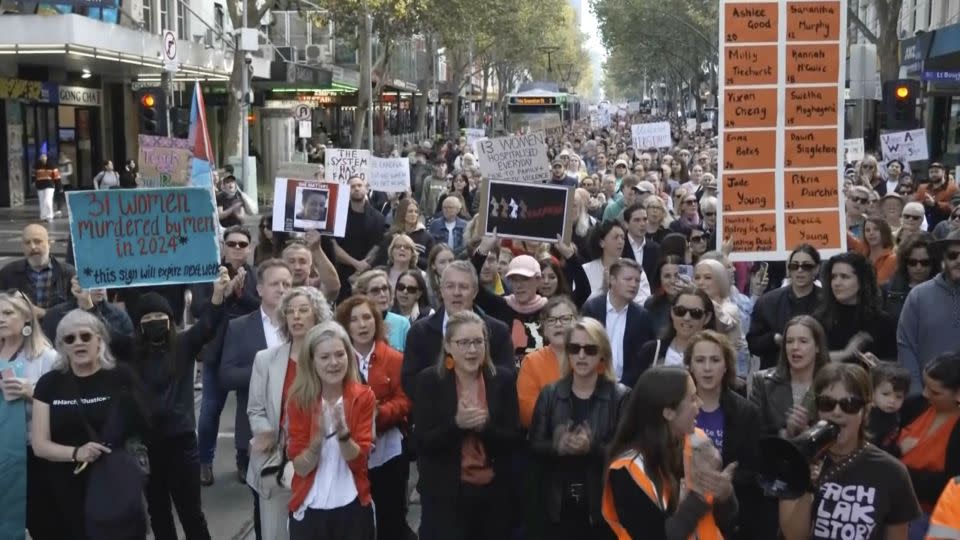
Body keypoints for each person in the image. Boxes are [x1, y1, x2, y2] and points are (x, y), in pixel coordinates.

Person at [120, 272, 232, 540]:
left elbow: (208, 325)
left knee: (191, 512)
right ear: (138, 325)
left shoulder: (183, 344)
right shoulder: (130, 350)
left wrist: (217, 294)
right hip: (146, 445)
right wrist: (90, 303)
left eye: (159, 317)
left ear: (170, 320)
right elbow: (103, 332)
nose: (154, 322)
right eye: (146, 319)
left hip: (181, 443)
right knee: (158, 512)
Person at [30, 309, 151, 538]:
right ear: (61, 346)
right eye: (69, 338)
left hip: (116, 480)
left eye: (85, 336)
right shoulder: (49, 383)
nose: (78, 343)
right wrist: (77, 452)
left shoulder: (121, 377)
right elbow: (39, 444)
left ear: (100, 341)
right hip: (68, 485)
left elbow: (143, 426)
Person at [778, 363, 921, 540]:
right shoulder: (795, 459)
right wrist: (807, 483)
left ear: (866, 411)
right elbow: (794, 536)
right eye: (827, 403)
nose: (836, 412)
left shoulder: (892, 471)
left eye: (849, 404)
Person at [412, 310, 521, 540]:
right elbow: (421, 443)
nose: (472, 350)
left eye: (477, 342)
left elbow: (513, 439)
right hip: (447, 498)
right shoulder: (430, 381)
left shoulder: (502, 379)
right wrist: (457, 424)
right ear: (448, 346)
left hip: (493, 497)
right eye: (463, 343)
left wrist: (485, 427)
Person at [602, 367, 739, 538]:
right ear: (668, 412)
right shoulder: (627, 470)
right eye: (692, 399)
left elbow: (726, 522)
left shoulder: (699, 442)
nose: (700, 404)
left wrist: (725, 496)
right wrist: (696, 499)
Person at [529, 317, 628, 539]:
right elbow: (533, 445)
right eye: (575, 348)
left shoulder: (620, 396)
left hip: (603, 509)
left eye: (590, 349)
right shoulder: (550, 394)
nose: (581, 355)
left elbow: (627, 453)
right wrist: (558, 446)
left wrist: (592, 447)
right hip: (557, 507)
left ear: (602, 353)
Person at [246, 287, 331, 540]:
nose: (296, 317)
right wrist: (265, 432)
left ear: (317, 316)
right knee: (276, 534)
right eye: (290, 312)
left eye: (303, 310)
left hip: (322, 460)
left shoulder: (332, 358)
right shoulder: (265, 359)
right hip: (277, 462)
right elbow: (255, 408)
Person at [284, 321, 376, 540]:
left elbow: (359, 461)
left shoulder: (363, 397)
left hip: (352, 506)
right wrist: (315, 443)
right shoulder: (299, 401)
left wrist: (343, 435)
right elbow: (301, 468)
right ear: (312, 361)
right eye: (324, 357)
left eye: (339, 354)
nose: (334, 363)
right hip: (310, 509)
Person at [335, 296, 412, 540]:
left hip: (388, 451)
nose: (361, 324)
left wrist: (381, 412)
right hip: (351, 451)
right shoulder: (337, 360)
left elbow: (406, 401)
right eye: (354, 319)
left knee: (392, 517)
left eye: (367, 317)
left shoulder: (395, 358)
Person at [684, 329, 771, 539]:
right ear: (690, 366)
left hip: (731, 520)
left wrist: (728, 481)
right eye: (700, 360)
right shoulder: (677, 409)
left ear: (726, 366)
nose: (707, 368)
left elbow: (755, 468)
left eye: (714, 360)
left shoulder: (746, 412)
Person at [400, 261, 514, 398]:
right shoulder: (419, 332)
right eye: (450, 286)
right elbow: (410, 383)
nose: (456, 293)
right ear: (441, 291)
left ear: (475, 292)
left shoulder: (498, 331)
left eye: (464, 287)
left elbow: (506, 380)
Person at [0, 291, 58, 540]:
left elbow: (66, 407)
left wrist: (32, 392)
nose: (0, 319)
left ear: (26, 318)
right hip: (2, 456)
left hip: (34, 455)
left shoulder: (47, 357)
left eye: (7, 313)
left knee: (42, 522)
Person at [897, 354, 960, 540]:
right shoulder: (913, 405)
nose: (925, 394)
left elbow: (949, 484)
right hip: (890, 505)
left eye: (935, 392)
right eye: (925, 386)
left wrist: (897, 473)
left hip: (930, 516)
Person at [898, 229, 960, 394]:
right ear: (943, 259)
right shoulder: (919, 296)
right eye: (953, 255)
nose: (958, 260)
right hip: (929, 400)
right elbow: (906, 346)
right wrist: (916, 393)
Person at [750, 315, 830, 439]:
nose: (795, 347)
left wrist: (808, 434)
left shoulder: (831, 385)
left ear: (818, 347)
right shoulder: (762, 382)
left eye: (803, 341)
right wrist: (786, 433)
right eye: (789, 341)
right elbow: (752, 436)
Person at [581, 258, 657, 387]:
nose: (634, 285)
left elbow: (641, 359)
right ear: (612, 280)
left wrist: (623, 386)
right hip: (593, 382)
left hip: (628, 388)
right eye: (628, 279)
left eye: (637, 280)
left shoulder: (642, 316)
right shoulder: (592, 308)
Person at [747, 244, 822, 369]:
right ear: (788, 269)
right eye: (794, 266)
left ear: (816, 268)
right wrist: (774, 339)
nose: (800, 270)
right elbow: (753, 344)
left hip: (817, 374)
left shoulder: (827, 302)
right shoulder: (767, 302)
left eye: (806, 266)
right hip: (776, 374)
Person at [816, 251, 897, 362]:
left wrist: (879, 365)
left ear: (862, 281)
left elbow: (894, 365)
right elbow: (811, 360)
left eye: (844, 277)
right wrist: (845, 354)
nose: (836, 283)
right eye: (833, 277)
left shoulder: (883, 322)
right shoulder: (819, 320)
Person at [517, 296, 578, 428]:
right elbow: (527, 415)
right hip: (546, 441)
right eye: (551, 320)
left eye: (565, 319)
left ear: (577, 323)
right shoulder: (531, 362)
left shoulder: (591, 356)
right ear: (544, 328)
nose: (558, 324)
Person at [0, 224, 75, 316]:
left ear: (49, 244)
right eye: (27, 243)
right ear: (22, 247)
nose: (33, 247)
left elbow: (76, 309)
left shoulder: (68, 273)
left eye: (37, 241)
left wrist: (44, 313)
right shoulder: (8, 273)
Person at [334, 176, 387, 300]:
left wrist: (359, 271)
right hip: (342, 273)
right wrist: (356, 264)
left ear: (366, 189)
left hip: (367, 274)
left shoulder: (377, 217)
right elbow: (333, 245)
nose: (356, 189)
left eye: (359, 185)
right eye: (352, 186)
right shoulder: (338, 215)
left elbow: (377, 246)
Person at [42, 278, 133, 342]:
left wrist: (90, 309)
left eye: (103, 279)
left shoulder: (119, 315)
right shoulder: (54, 315)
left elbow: (123, 347)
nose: (100, 287)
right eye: (93, 281)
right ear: (76, 282)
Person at [582, 220, 652, 303]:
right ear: (602, 243)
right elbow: (581, 302)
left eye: (622, 238)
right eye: (615, 237)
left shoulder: (634, 269)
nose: (620, 242)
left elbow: (644, 301)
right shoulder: (585, 270)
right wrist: (604, 289)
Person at [881, 234, 938, 322]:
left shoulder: (944, 290)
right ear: (905, 262)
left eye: (925, 262)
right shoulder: (887, 290)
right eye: (912, 262)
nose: (918, 267)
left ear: (933, 262)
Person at [351, 270, 410, 352]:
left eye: (385, 288)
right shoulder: (356, 323)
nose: (382, 294)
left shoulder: (402, 323)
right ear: (362, 295)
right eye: (375, 291)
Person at [371, 198, 435, 271]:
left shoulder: (426, 237)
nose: (414, 214)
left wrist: (411, 256)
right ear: (402, 213)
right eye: (410, 211)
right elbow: (380, 260)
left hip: (415, 276)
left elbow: (430, 262)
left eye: (416, 212)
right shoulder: (391, 235)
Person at [868, 362, 911, 455]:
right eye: (885, 394)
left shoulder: (894, 413)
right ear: (872, 392)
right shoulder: (869, 417)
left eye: (898, 396)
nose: (892, 401)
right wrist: (899, 451)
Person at [850, 217, 898, 285]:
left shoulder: (892, 258)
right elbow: (846, 235)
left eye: (876, 229)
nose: (871, 233)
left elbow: (877, 282)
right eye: (867, 230)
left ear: (884, 232)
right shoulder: (863, 249)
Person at [424, 243, 455, 309]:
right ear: (433, 265)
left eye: (451, 260)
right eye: (442, 262)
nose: (448, 265)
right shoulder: (426, 285)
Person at [32, 153, 60, 222]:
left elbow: (57, 177)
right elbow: (33, 175)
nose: (43, 158)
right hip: (40, 185)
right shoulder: (37, 166)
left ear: (47, 158)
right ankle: (43, 216)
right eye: (42, 157)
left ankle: (50, 216)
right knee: (42, 201)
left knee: (47, 200)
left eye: (44, 157)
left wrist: (59, 186)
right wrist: (33, 182)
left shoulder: (52, 165)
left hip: (49, 185)